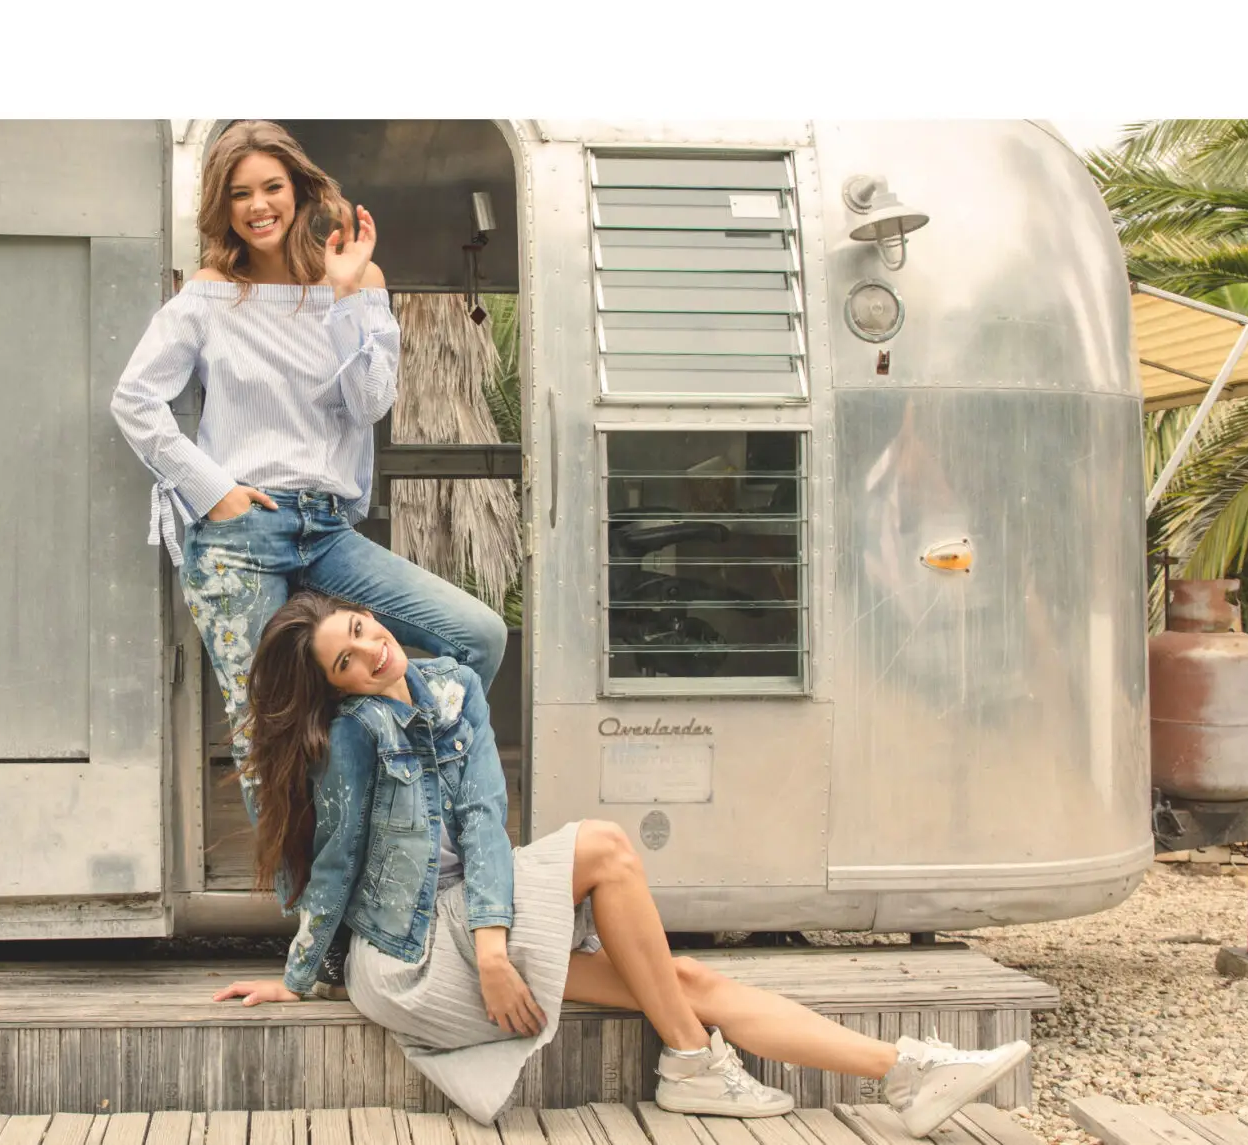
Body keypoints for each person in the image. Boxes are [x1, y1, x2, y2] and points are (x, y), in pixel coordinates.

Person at [211, 590, 1031, 1136]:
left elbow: (486, 820)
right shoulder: (355, 735)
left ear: (369, 616)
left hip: (474, 928)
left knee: (687, 981)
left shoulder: (454, 686)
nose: (369, 652)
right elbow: (338, 862)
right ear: (335, 686)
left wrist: (495, 944)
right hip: (414, 958)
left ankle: (904, 1072)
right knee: (604, 846)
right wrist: (299, 971)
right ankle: (692, 1061)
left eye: (360, 630)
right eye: (344, 662)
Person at [109, 119, 508, 828]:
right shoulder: (208, 295)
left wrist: (348, 295)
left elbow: (370, 402)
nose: (258, 206)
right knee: (269, 726)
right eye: (240, 194)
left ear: (297, 190)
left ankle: (407, 805)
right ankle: (310, 919)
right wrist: (215, 490)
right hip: (237, 535)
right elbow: (134, 400)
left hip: (326, 529)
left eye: (271, 187)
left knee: (477, 634)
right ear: (222, 205)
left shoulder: (356, 283)